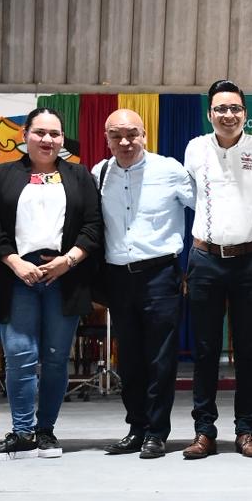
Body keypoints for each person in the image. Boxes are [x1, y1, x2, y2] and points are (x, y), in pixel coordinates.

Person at [0, 108, 102, 461]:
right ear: (25, 135)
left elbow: (93, 226)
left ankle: (45, 431)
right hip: (16, 275)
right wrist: (14, 261)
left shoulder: (79, 176)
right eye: (40, 132)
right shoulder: (1, 175)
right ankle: (22, 433)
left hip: (65, 275)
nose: (47, 140)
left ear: (62, 139)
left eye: (55, 134)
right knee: (19, 354)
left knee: (56, 357)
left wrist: (68, 260)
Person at [182, 80, 252, 459]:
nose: (228, 115)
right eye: (221, 108)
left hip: (248, 261)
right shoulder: (195, 148)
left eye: (235, 108)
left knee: (248, 352)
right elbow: (190, 193)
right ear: (210, 114)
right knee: (205, 350)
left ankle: (246, 431)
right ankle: (204, 431)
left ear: (245, 113)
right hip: (204, 260)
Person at [95, 109, 195, 460]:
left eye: (131, 134)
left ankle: (156, 432)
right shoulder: (99, 173)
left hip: (160, 275)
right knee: (129, 359)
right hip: (118, 277)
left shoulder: (170, 170)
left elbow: (205, 207)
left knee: (160, 358)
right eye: (116, 135)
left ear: (145, 135)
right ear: (106, 138)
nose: (124, 142)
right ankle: (136, 428)